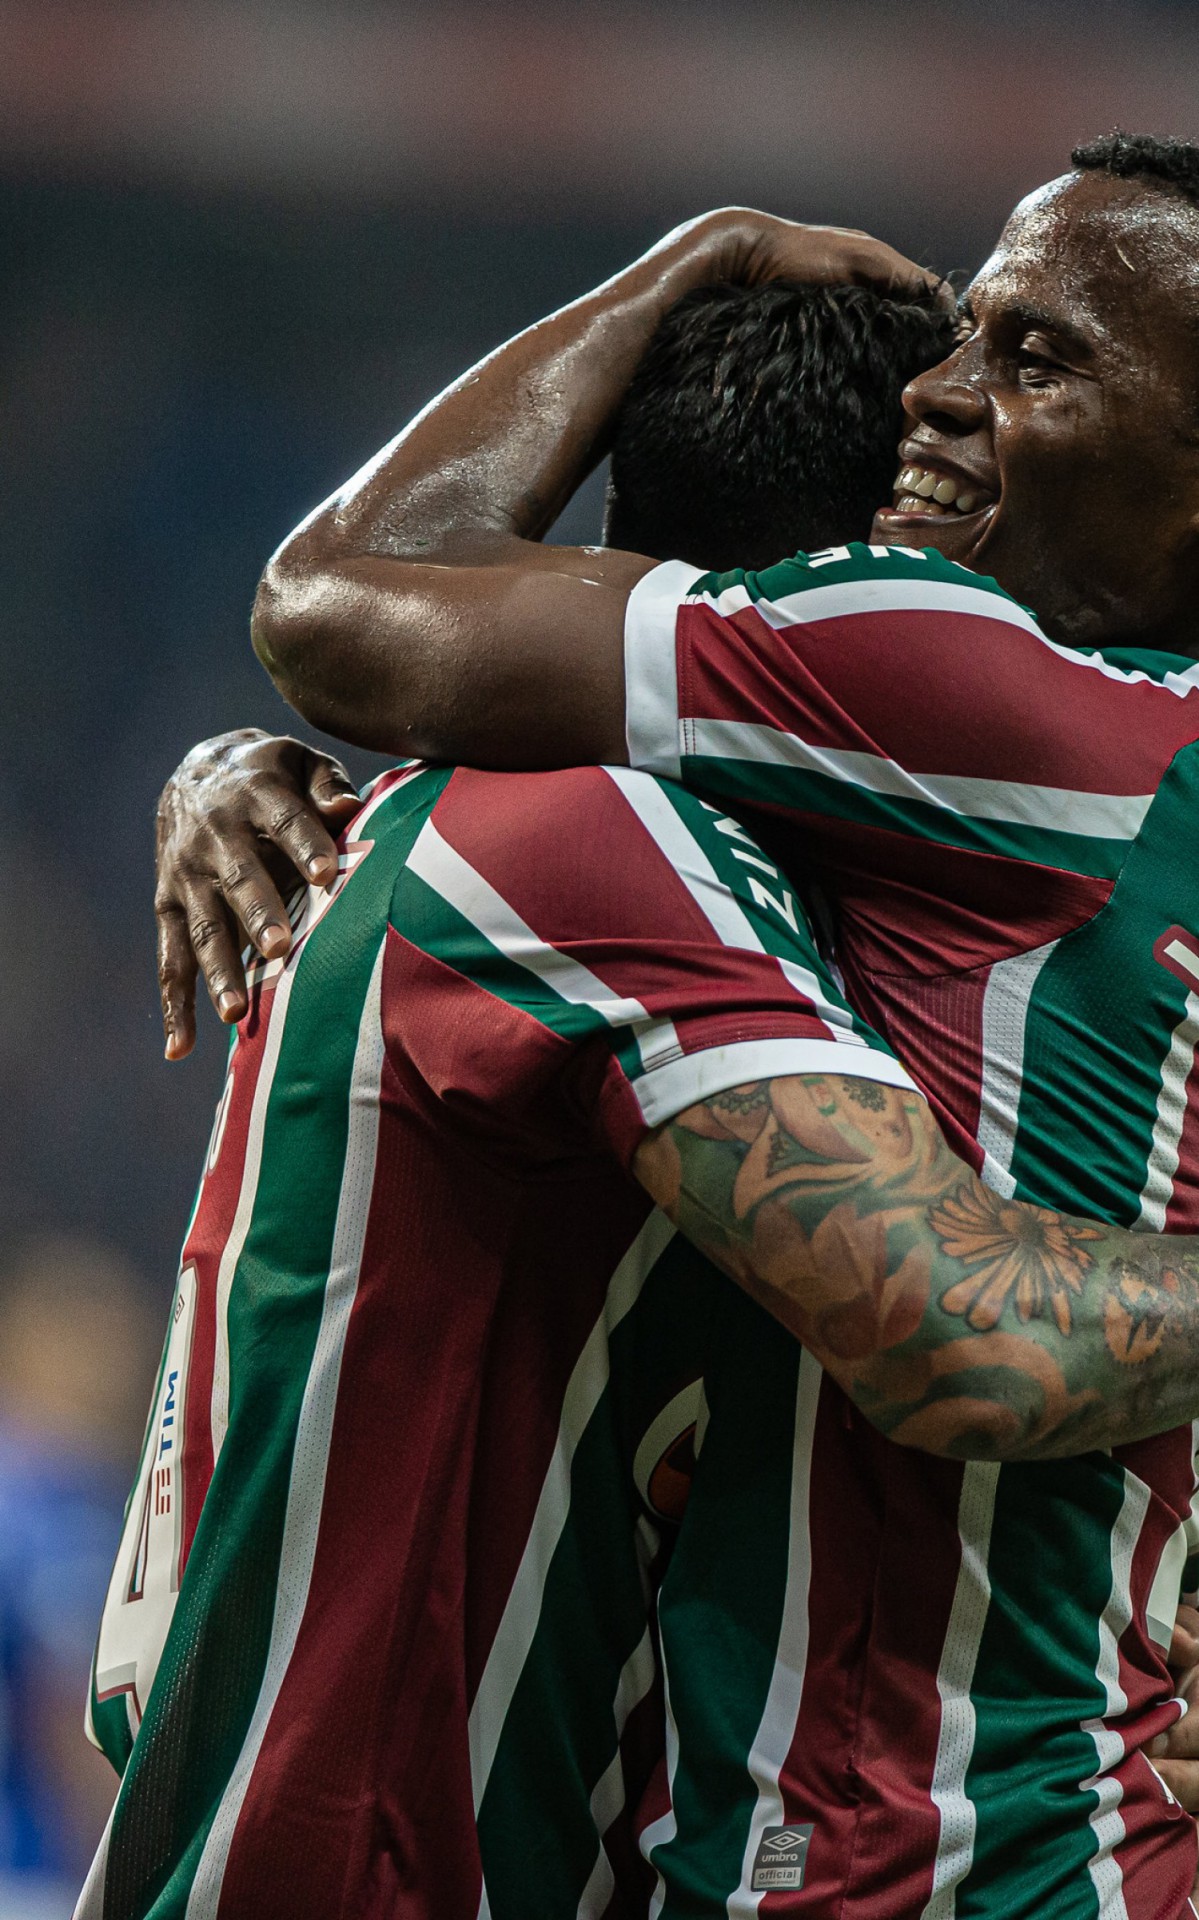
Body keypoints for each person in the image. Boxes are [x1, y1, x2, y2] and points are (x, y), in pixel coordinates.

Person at [151, 133, 1199, 1915]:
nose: (950, 397)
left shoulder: (965, 690)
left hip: (969, 1860)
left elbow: (339, 596)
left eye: (1032, 358)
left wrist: (686, 261)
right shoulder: (917, 817)